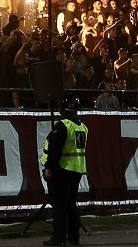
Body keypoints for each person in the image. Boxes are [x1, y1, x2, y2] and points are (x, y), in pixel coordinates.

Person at [41, 94, 88, 246]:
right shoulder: (82, 127)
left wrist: (49, 167)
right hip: (77, 169)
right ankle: (74, 237)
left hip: (62, 169)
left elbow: (55, 150)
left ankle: (59, 237)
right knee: (71, 205)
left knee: (59, 206)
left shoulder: (63, 126)